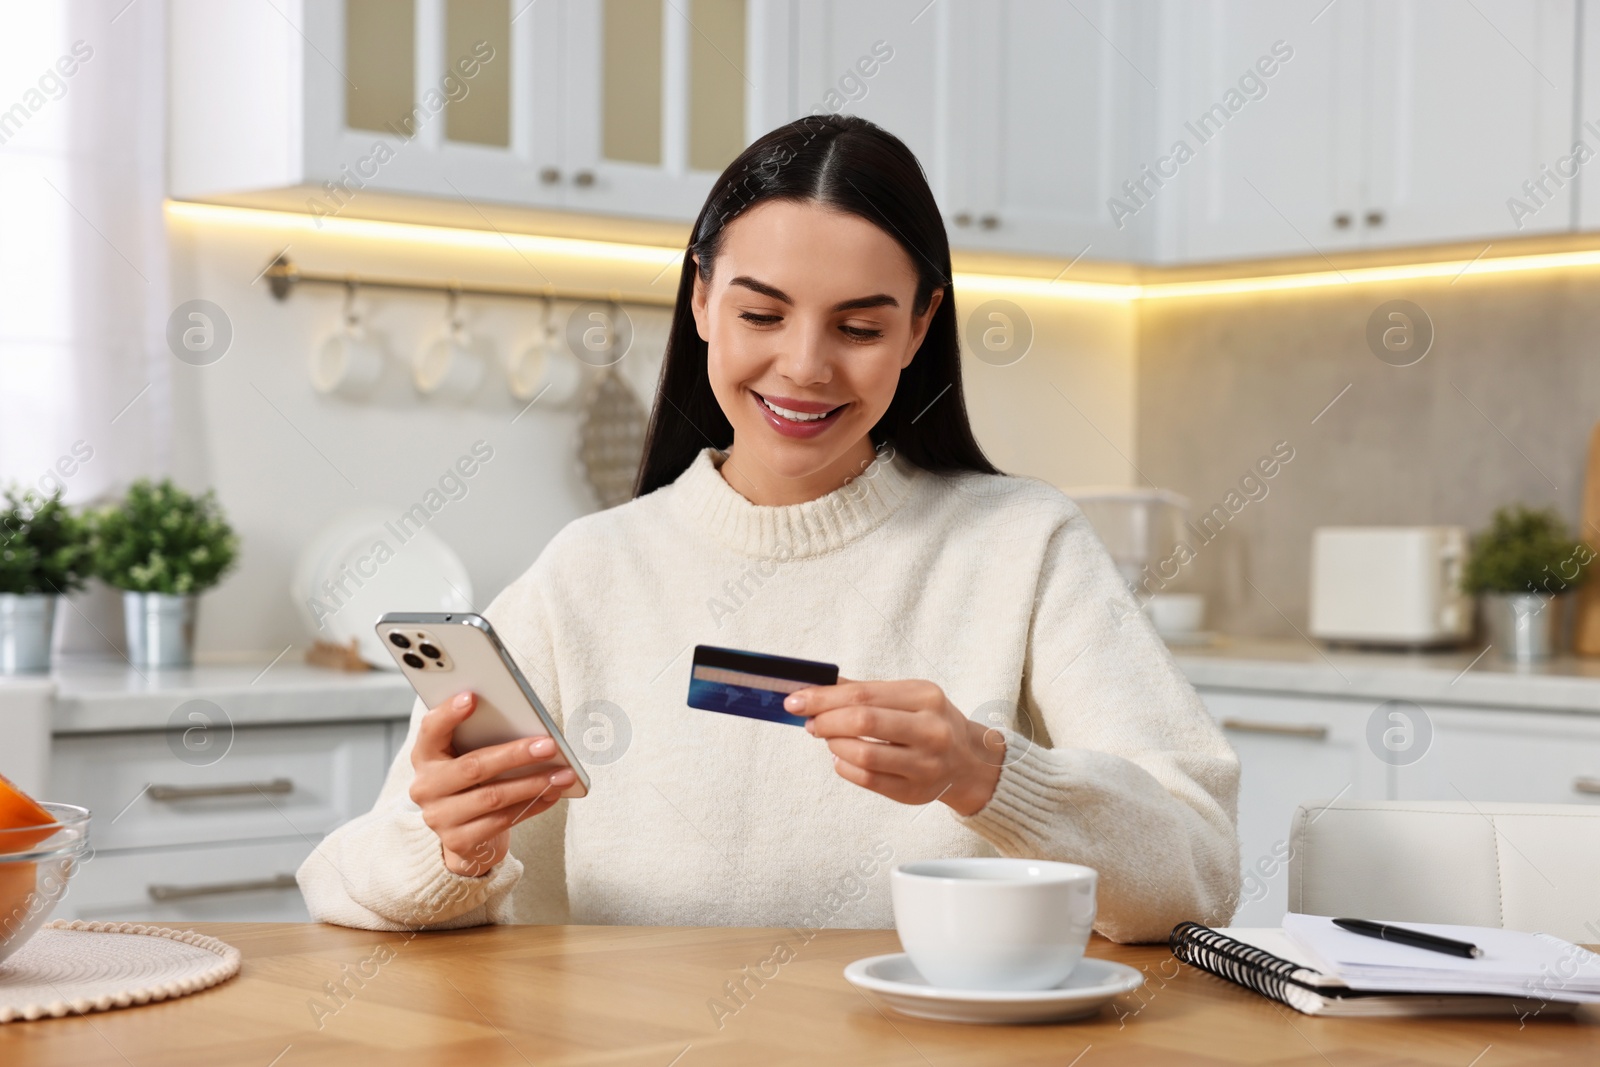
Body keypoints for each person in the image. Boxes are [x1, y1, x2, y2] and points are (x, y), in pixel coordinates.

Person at [298, 114, 1241, 943]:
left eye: (860, 329)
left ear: (920, 329)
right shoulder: (590, 569)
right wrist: (452, 847)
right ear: (702, 300)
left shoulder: (1024, 546)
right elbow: (341, 882)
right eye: (761, 313)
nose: (804, 366)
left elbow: (1197, 872)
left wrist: (989, 772)